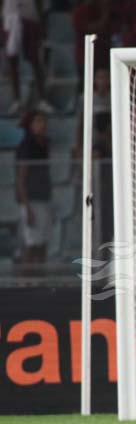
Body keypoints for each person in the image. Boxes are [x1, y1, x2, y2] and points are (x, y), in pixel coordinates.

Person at [2, 0, 53, 114]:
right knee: (13, 61)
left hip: (30, 17)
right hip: (10, 16)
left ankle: (42, 100)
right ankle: (17, 101)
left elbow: (39, 3)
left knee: (36, 61)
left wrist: (41, 23)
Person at [15, 111, 51, 265]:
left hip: (44, 198)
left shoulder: (44, 145)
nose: (42, 125)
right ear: (31, 125)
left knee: (43, 241)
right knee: (32, 243)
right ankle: (28, 275)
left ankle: (42, 273)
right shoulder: (27, 147)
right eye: (38, 121)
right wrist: (27, 207)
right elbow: (21, 179)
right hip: (31, 201)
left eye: (43, 121)